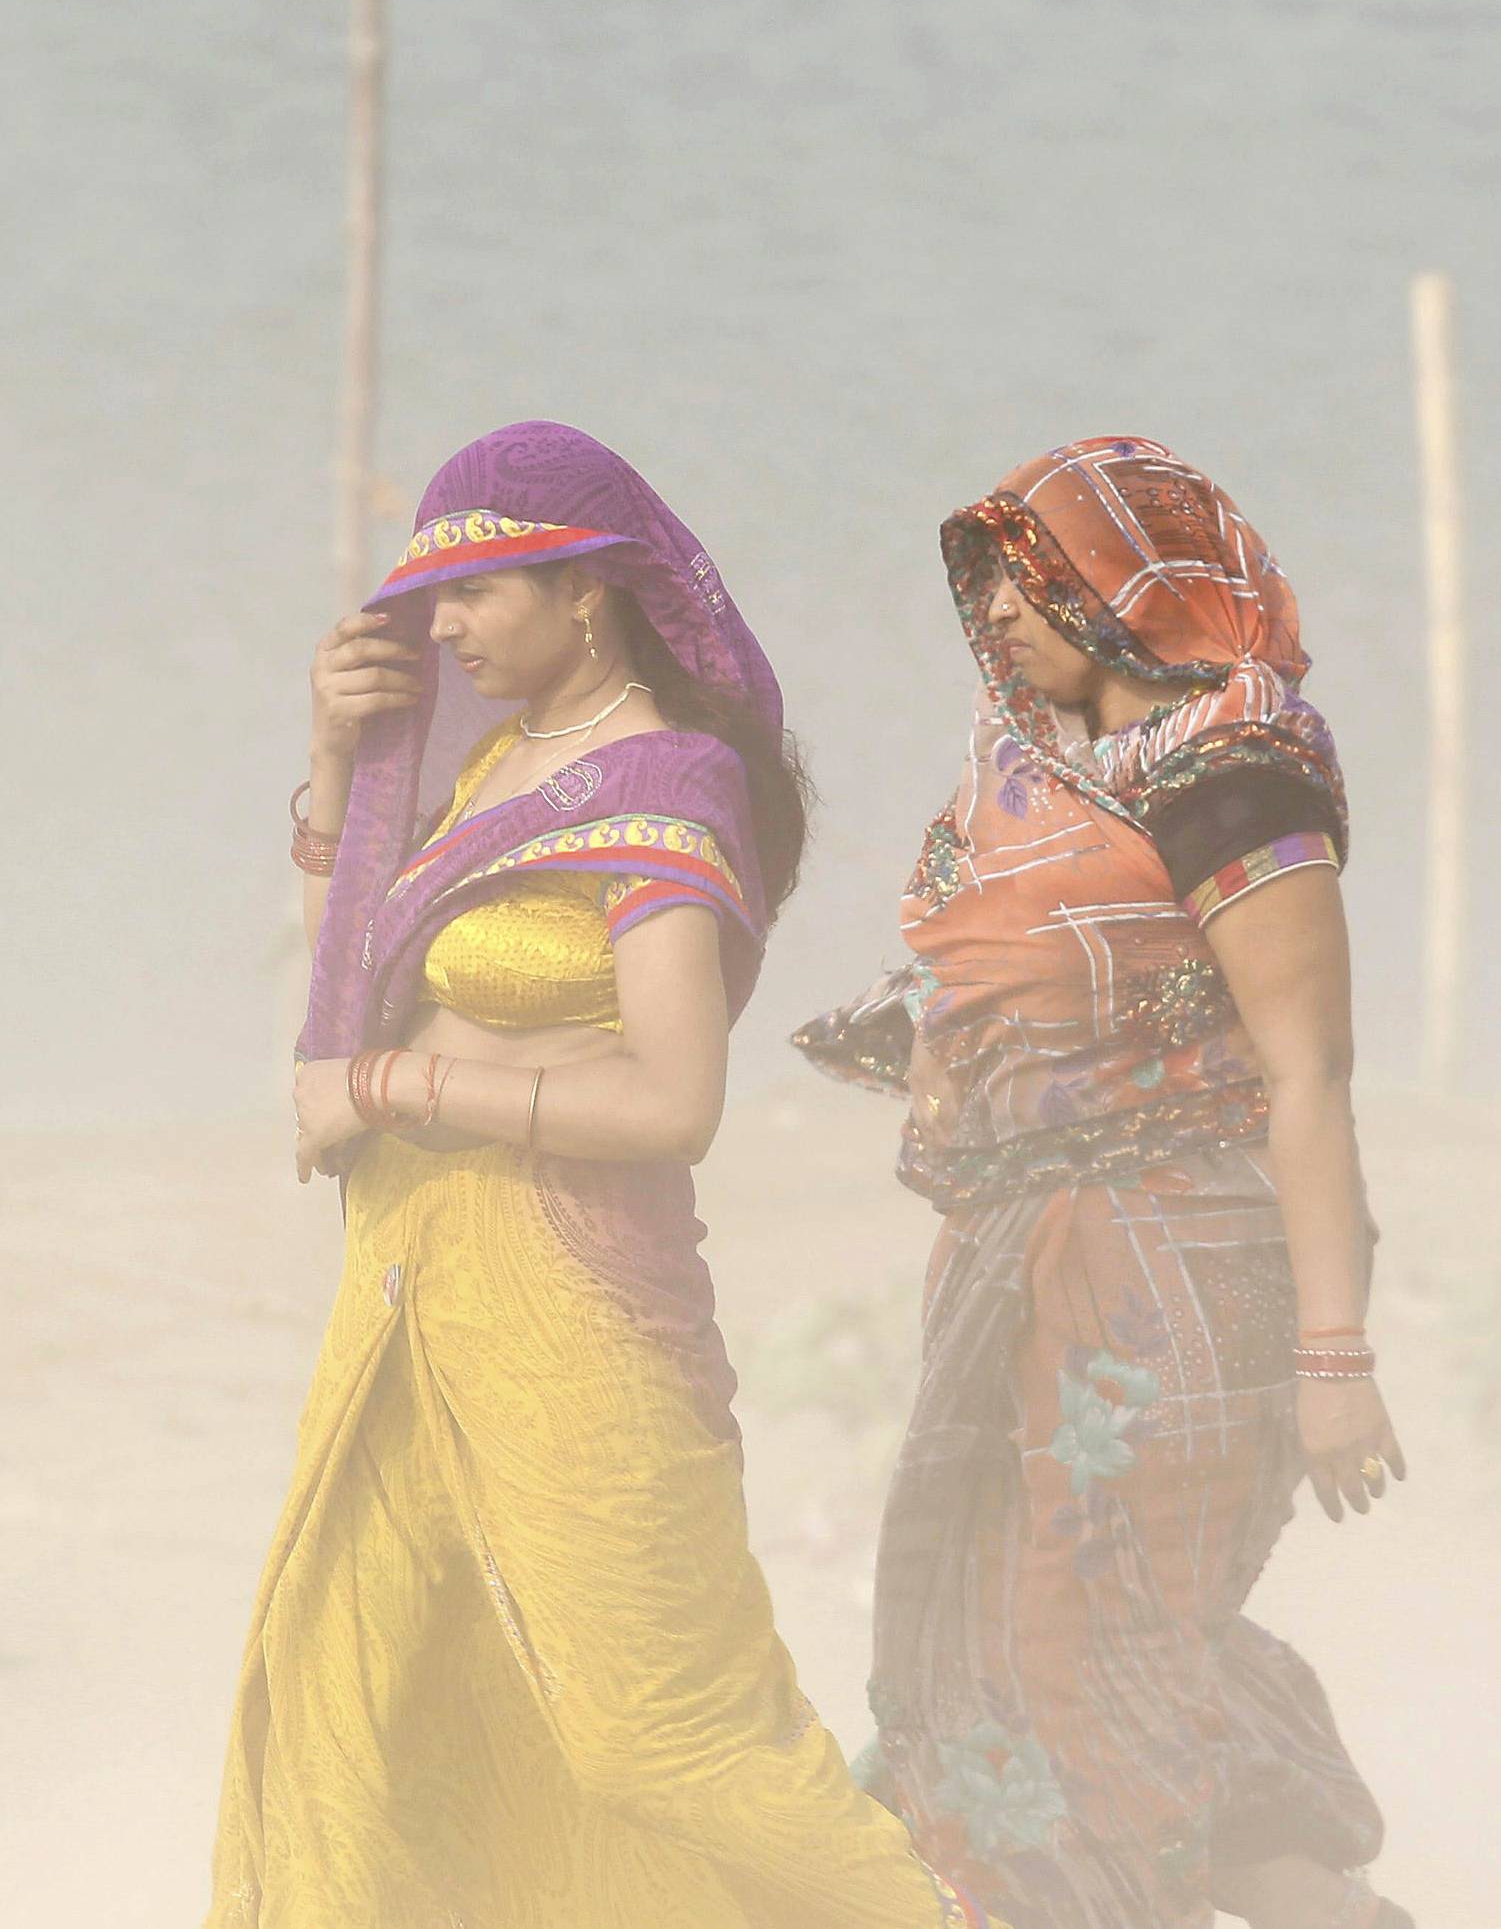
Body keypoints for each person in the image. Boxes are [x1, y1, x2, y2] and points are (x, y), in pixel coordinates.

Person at [207, 421, 998, 1929]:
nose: (441, 629)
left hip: (572, 1298)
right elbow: (353, 992)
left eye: (476, 594)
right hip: (411, 1289)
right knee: (362, 1697)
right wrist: (328, 768)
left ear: (588, 594)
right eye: (430, 599)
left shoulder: (671, 785)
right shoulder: (506, 763)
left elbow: (675, 1098)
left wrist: (391, 1089)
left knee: (663, 1740)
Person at [795, 436, 1412, 1929]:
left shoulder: (1234, 772)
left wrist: (1336, 1363)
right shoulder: (1042, 787)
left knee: (1078, 1666)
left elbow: (1307, 1078)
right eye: (986, 591)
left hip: (1176, 1282)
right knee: (1050, 1660)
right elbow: (1044, 993)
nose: (995, 616)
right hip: (1032, 1276)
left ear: (1118, 583)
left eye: (1028, 582)